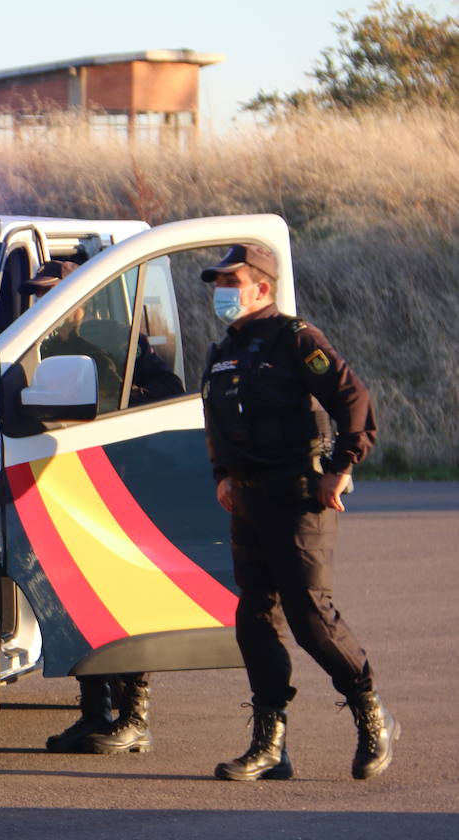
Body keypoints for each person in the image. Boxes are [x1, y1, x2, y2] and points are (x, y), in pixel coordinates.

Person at [200, 243, 395, 781]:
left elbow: (353, 399)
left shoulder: (296, 339)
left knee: (310, 618)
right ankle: (271, 746)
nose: (220, 292)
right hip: (249, 500)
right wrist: (222, 475)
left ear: (262, 286)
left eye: (229, 281)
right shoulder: (222, 350)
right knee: (255, 618)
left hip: (299, 497)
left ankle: (371, 713)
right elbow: (218, 419)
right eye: (216, 283)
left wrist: (342, 464)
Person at [23, 260, 184, 755]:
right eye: (38, 294)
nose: (42, 303)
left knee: (125, 599)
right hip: (64, 487)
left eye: (53, 294)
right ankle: (94, 714)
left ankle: (134, 718)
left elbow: (169, 394)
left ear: (79, 300)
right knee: (80, 604)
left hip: (117, 484)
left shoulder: (115, 339)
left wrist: (118, 399)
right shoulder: (31, 344)